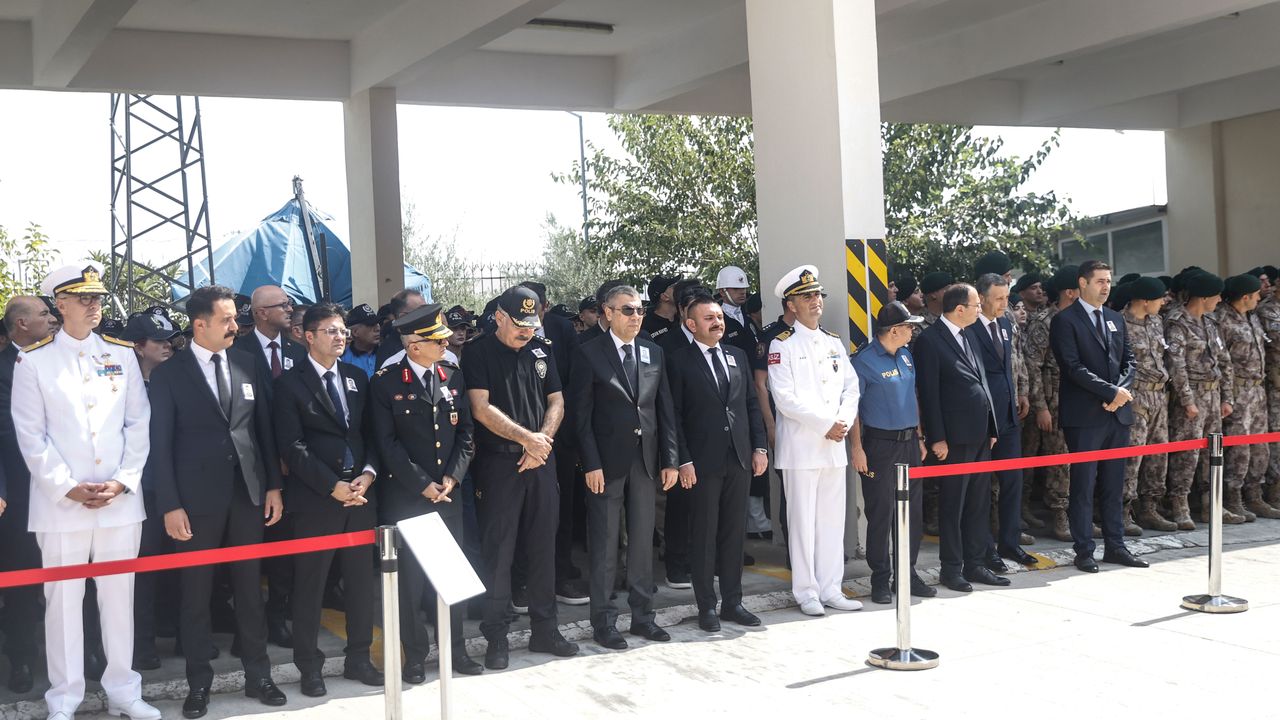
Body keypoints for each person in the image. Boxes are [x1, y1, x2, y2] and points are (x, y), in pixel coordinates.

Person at [10, 266, 159, 720]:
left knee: (119, 600)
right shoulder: (34, 361)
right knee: (63, 604)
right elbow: (30, 435)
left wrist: (123, 480)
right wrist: (67, 486)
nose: (94, 304)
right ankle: (64, 698)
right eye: (83, 297)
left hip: (119, 501)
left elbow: (138, 423)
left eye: (97, 296)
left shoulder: (121, 354)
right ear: (60, 305)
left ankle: (124, 693)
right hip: (61, 505)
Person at [148, 285, 287, 719]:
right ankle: (198, 684)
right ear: (199, 324)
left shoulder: (246, 363)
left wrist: (272, 485)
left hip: (246, 494)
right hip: (194, 502)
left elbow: (262, 430)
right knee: (196, 595)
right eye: (226, 319)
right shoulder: (170, 374)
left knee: (249, 590)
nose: (235, 325)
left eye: (235, 318)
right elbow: (159, 445)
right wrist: (170, 504)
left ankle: (259, 675)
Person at [463, 286, 579, 669]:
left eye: (532, 324)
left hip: (541, 460)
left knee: (544, 546)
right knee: (499, 552)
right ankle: (496, 635)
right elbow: (480, 407)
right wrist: (527, 439)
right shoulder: (478, 352)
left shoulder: (542, 350)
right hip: (500, 465)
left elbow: (556, 400)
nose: (526, 331)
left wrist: (540, 442)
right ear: (499, 317)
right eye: (519, 324)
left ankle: (546, 629)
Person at [273, 303, 384, 697]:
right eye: (331, 331)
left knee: (359, 583)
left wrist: (368, 474)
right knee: (311, 585)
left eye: (343, 331)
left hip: (360, 496)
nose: (341, 337)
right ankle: (309, 666)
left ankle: (359, 658)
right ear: (309, 336)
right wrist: (331, 485)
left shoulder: (356, 377)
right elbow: (292, 445)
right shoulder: (289, 384)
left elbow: (371, 433)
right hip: (317, 498)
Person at [371, 303, 485, 679]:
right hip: (407, 496)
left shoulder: (452, 375)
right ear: (414, 345)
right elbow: (386, 444)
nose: (445, 344)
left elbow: (465, 432)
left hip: (447, 495)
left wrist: (452, 477)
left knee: (449, 577)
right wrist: (422, 484)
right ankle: (415, 655)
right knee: (409, 582)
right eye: (437, 341)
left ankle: (455, 650)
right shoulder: (386, 382)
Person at [569, 284, 678, 648]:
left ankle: (643, 617)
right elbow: (581, 417)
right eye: (628, 310)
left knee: (642, 542)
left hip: (645, 460)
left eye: (640, 310)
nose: (636, 316)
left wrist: (670, 459)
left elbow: (664, 409)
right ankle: (604, 622)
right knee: (604, 544)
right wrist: (590, 463)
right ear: (608, 312)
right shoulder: (588, 353)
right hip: (605, 463)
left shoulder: (652, 351)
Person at [666, 295, 768, 630]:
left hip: (738, 457)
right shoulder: (678, 361)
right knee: (704, 534)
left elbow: (751, 404)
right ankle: (706, 606)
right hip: (701, 462)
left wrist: (759, 448)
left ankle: (733, 603)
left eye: (720, 317)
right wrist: (683, 460)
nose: (717, 323)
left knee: (734, 534)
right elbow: (674, 416)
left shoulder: (736, 355)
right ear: (691, 324)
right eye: (709, 318)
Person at [766, 265, 862, 615]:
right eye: (806, 296)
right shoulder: (782, 344)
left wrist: (843, 421)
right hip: (802, 448)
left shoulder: (833, 341)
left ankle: (831, 587)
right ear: (791, 305)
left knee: (832, 522)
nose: (815, 301)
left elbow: (851, 387)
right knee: (803, 524)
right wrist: (826, 424)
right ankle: (806, 591)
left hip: (833, 446)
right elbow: (784, 398)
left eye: (818, 294)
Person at [1050, 260, 1147, 573]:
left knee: (1114, 485)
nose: (1106, 287)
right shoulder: (1065, 320)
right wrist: (1110, 392)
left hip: (1117, 414)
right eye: (1100, 281)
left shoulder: (1115, 318)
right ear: (1083, 283)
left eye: (1108, 281)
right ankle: (1084, 551)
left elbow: (1129, 361)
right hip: (1085, 416)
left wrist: (1120, 393)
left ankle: (1115, 546)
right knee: (1083, 486)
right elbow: (1072, 366)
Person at [914, 283, 1006, 592]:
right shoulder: (930, 340)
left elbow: (982, 381)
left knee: (978, 503)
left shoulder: (971, 335)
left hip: (980, 435)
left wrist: (992, 428)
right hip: (953, 439)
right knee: (953, 505)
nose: (980, 310)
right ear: (959, 309)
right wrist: (937, 437)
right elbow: (929, 393)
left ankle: (975, 563)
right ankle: (951, 568)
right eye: (977, 305)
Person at [849, 302, 936, 605]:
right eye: (909, 326)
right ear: (895, 330)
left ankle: (907, 573)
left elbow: (912, 397)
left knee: (911, 512)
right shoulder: (863, 361)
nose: (913, 330)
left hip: (909, 442)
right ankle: (880, 578)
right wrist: (857, 448)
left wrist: (920, 436)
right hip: (879, 446)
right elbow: (853, 409)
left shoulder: (906, 355)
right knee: (881, 512)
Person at [232, 284, 303, 648]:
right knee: (247, 552)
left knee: (283, 549)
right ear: (260, 313)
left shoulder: (297, 350)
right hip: (252, 467)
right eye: (283, 305)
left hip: (292, 465)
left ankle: (277, 616)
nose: (290, 309)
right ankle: (245, 626)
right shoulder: (236, 352)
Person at [119, 307, 182, 671]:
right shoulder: (120, 387)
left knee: (180, 568)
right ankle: (141, 644)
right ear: (138, 346)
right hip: (138, 492)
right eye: (158, 341)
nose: (168, 346)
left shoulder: (176, 381)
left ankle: (181, 634)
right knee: (141, 573)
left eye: (170, 340)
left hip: (176, 490)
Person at [0, 296, 56, 693]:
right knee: (21, 581)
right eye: (44, 314)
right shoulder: (3, 369)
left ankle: (84, 654)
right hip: (21, 494)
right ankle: (21, 658)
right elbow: (7, 431)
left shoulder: (61, 362)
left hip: (70, 494)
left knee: (74, 580)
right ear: (21, 324)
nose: (52, 319)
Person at [966, 274, 1037, 569]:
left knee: (1012, 482)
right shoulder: (968, 329)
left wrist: (1020, 393)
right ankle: (985, 549)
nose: (1004, 304)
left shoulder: (1006, 324)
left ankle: (1010, 541)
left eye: (1006, 298)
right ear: (981, 298)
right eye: (998, 298)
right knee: (981, 487)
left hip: (1008, 414)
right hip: (981, 417)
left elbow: (1012, 364)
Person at [1165, 271, 1236, 526]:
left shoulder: (1210, 322)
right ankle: (1180, 505)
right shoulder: (1177, 322)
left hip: (1213, 394)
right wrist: (1187, 400)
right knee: (1187, 453)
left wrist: (1227, 397)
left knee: (1212, 453)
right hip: (1192, 394)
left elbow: (1224, 361)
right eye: (1216, 295)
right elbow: (1176, 365)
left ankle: (1211, 504)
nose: (1220, 300)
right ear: (1204, 297)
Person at [1215, 274, 1278, 519]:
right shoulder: (1222, 320)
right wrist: (1227, 397)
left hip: (1257, 390)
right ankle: (1233, 498)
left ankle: (1255, 496)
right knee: (1238, 448)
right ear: (1245, 297)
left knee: (1260, 447)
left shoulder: (1251, 317)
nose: (1259, 299)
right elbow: (1222, 362)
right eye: (1255, 295)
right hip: (1238, 390)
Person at [1026, 266, 1082, 539]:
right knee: (1059, 460)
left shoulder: (1084, 318)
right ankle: (1060, 516)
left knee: (1080, 459)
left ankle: (1078, 514)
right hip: (1054, 400)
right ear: (1070, 292)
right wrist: (1041, 407)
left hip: (1082, 399)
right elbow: (1033, 365)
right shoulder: (1044, 322)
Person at [1121, 277, 1178, 532]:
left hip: (1158, 395)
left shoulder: (1156, 321)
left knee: (1158, 455)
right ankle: (1123, 512)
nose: (1163, 302)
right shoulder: (1119, 323)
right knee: (1131, 457)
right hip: (1134, 396)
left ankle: (1150, 508)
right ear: (1145, 301)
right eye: (1159, 298)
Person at [341, 303, 381, 378]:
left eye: (377, 323)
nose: (377, 328)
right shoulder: (343, 359)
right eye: (371, 325)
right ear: (355, 332)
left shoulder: (387, 353)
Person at [642, 275, 680, 342]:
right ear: (664, 297)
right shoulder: (645, 325)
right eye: (674, 287)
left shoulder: (684, 316)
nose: (680, 288)